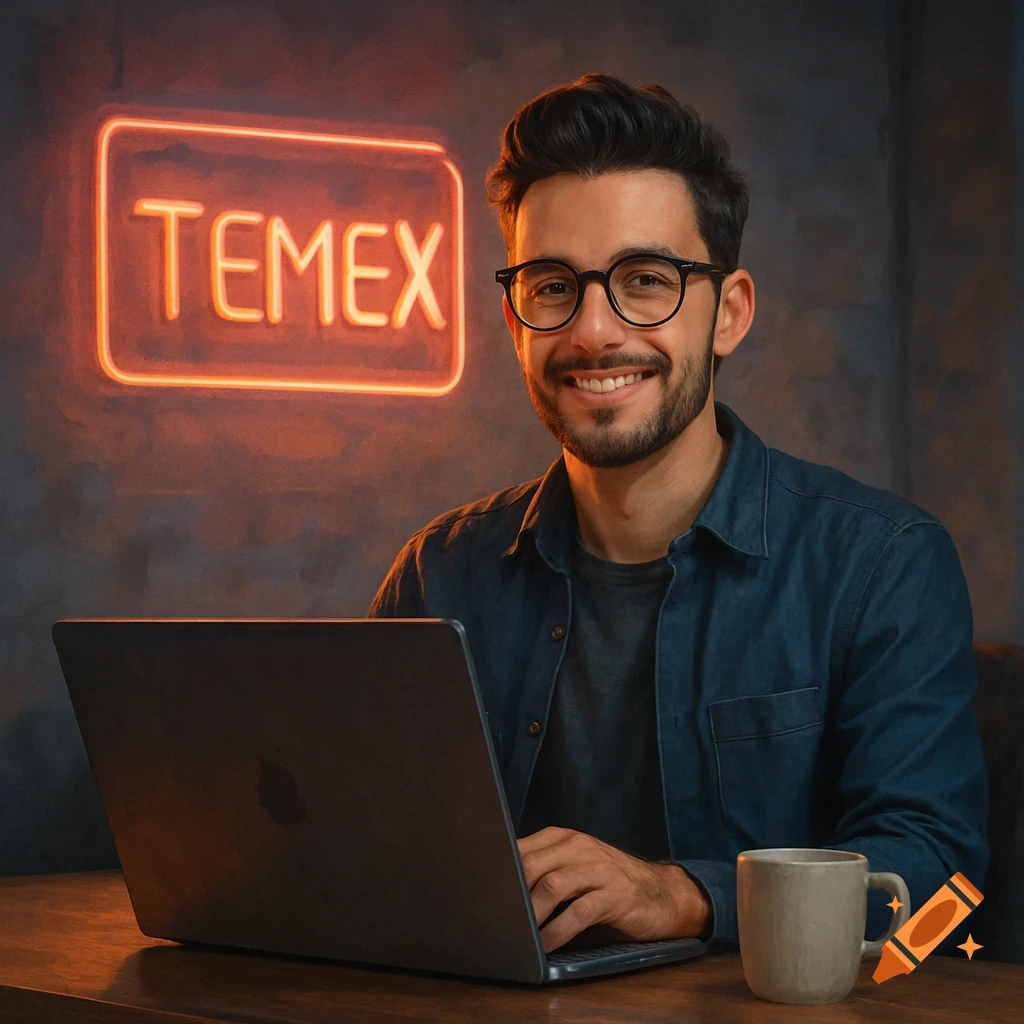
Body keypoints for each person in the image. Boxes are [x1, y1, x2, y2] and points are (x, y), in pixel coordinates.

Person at [368, 74, 989, 954]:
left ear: (728, 313)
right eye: (552, 286)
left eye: (645, 280)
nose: (593, 331)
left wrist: (688, 897)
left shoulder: (882, 564)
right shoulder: (441, 571)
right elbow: (359, 841)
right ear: (515, 320)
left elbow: (943, 887)